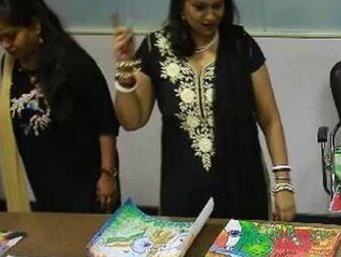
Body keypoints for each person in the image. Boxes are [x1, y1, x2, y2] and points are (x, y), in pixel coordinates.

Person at [111, 0, 296, 221]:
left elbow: (270, 120)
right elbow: (132, 120)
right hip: (182, 189)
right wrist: (124, 69)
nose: (210, 16)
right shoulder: (156, 48)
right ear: (181, 7)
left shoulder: (240, 46)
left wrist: (283, 183)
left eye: (217, 6)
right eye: (200, 7)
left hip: (243, 186)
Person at [0, 0, 121, 213]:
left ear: (35, 26)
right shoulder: (10, 66)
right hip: (44, 180)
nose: (5, 45)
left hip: (87, 180)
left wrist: (107, 173)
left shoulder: (73, 63)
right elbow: (17, 113)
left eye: (11, 36)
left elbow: (106, 122)